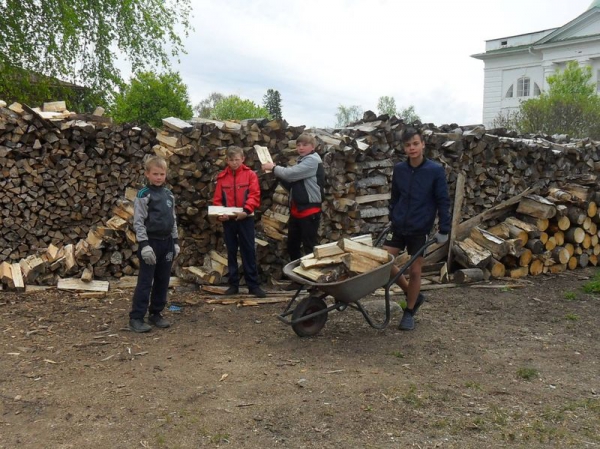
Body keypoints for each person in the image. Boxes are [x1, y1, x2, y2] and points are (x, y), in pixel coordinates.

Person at [384, 127, 451, 331]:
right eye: (407, 145)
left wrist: (444, 229)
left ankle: (409, 311)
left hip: (419, 228)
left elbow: (443, 201)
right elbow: (395, 197)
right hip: (398, 226)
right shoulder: (400, 170)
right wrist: (392, 215)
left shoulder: (435, 171)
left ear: (423, 144)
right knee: (382, 262)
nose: (411, 148)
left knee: (415, 270)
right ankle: (412, 293)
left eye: (415, 143)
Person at [261, 133, 325, 290]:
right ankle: (299, 279)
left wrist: (274, 168)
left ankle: (314, 281)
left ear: (313, 147)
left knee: (309, 247)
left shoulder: (312, 161)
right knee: (293, 245)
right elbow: (291, 183)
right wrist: (277, 174)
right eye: (298, 145)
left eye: (304, 145)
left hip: (310, 210)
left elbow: (290, 174)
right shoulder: (302, 161)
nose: (301, 148)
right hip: (297, 210)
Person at [129, 155, 180, 333]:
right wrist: (144, 245)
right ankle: (136, 317)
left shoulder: (169, 195)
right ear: (147, 174)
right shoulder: (144, 194)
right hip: (150, 243)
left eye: (162, 174)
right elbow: (138, 222)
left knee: (162, 279)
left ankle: (156, 313)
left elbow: (172, 220)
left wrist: (175, 242)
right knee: (145, 281)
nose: (159, 177)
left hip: (166, 243)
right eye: (155, 174)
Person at [213, 146, 266, 298]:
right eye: (231, 160)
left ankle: (253, 285)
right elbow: (217, 200)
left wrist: (246, 211)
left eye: (237, 159)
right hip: (228, 221)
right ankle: (233, 285)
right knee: (231, 251)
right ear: (227, 160)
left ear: (243, 159)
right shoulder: (222, 178)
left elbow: (255, 195)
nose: (234, 163)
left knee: (248, 251)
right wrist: (220, 215)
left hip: (245, 218)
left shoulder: (250, 175)